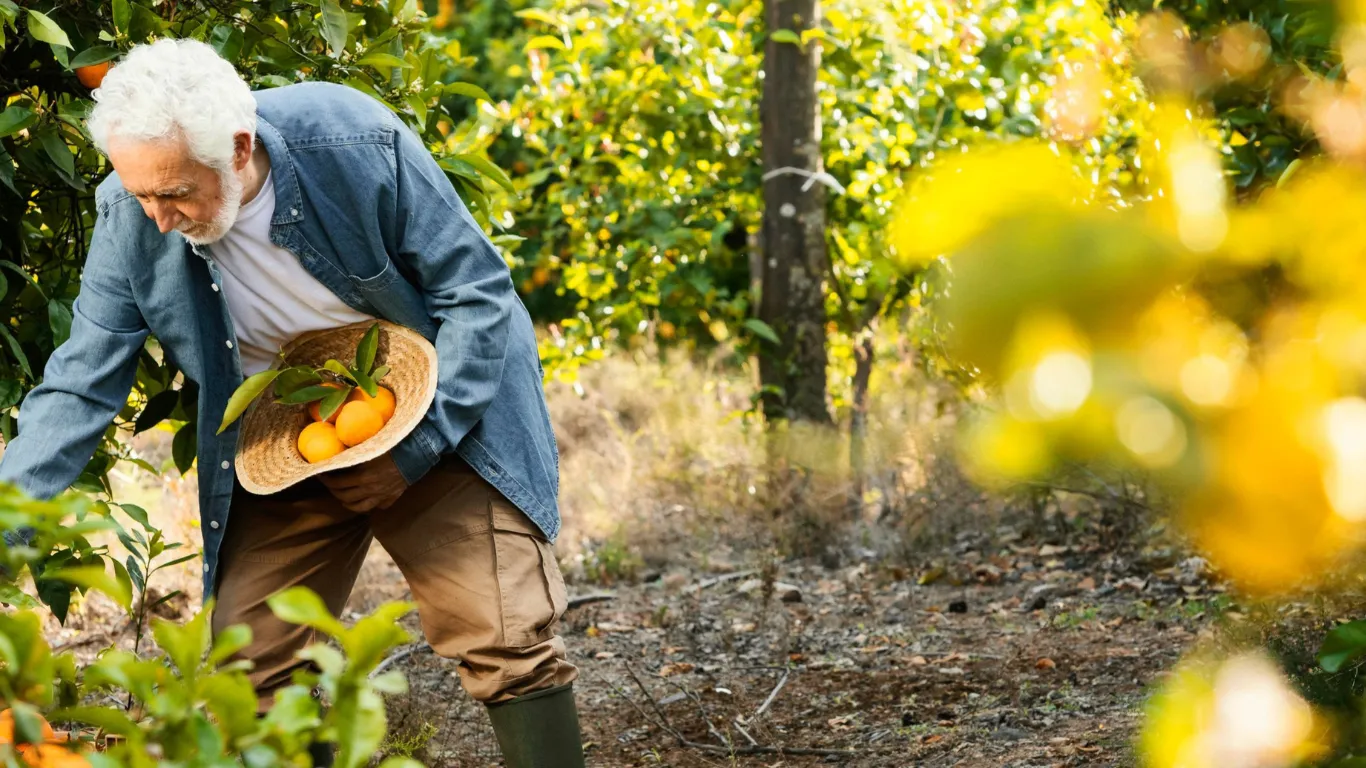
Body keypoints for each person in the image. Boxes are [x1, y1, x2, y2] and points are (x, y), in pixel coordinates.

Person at [0, 39, 583, 767]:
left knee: (503, 630)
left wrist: (417, 447)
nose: (158, 218)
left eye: (175, 193)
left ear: (239, 148)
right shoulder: (130, 215)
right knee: (251, 670)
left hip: (432, 404)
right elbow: (78, 384)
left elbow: (478, 293)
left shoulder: (352, 143)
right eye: (141, 192)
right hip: (290, 437)